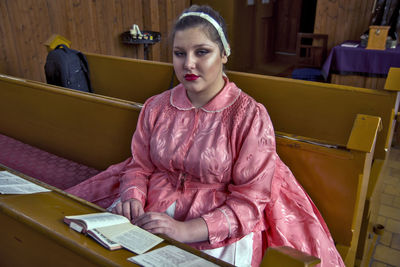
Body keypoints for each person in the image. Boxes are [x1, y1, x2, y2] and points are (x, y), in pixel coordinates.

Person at [66, 5, 344, 267]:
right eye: (179, 53)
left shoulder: (248, 116)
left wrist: (185, 230)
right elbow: (139, 166)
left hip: (216, 224)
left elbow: (250, 202)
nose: (188, 64)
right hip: (154, 207)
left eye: (202, 52)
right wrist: (133, 196)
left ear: (224, 54)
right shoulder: (156, 106)